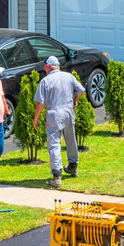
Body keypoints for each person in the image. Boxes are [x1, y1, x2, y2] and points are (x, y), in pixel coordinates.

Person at [33, 56, 85, 188]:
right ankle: (73, 166)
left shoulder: (45, 81)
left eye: (45, 66)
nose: (44, 68)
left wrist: (36, 118)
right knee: (70, 139)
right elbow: (81, 90)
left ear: (49, 66)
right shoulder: (69, 77)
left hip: (54, 114)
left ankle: (57, 176)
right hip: (68, 112)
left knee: (54, 144)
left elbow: (40, 102)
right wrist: (75, 100)